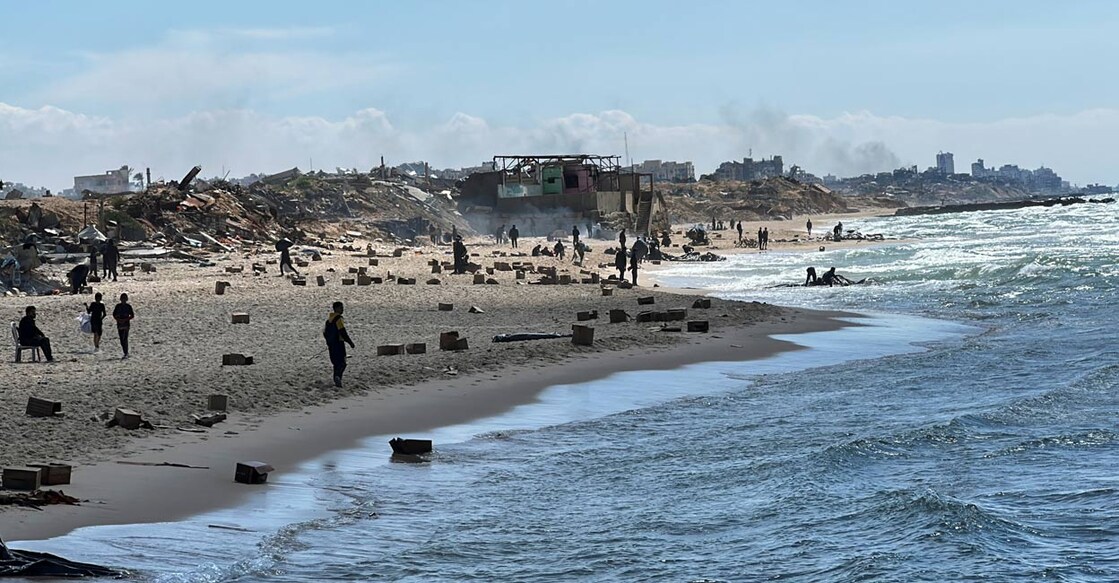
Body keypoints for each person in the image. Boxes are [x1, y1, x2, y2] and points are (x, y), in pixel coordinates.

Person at [323, 301, 356, 388]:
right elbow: (342, 331)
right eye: (341, 308)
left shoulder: (328, 320)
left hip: (331, 344)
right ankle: (338, 378)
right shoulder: (339, 319)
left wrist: (329, 342)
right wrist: (350, 342)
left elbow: (324, 333)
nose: (342, 310)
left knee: (335, 363)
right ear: (336, 308)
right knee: (342, 363)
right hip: (339, 343)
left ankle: (336, 380)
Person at [112, 293, 134, 359]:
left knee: (125, 338)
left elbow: (132, 315)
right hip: (119, 324)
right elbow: (114, 314)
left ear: (126, 299)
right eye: (122, 298)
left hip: (126, 324)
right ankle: (125, 351)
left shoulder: (128, 306)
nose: (123, 300)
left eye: (125, 298)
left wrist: (125, 319)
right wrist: (118, 320)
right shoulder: (118, 306)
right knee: (121, 339)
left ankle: (126, 352)